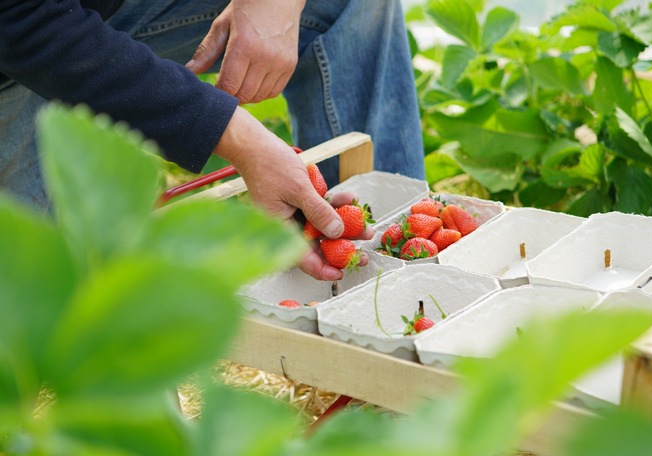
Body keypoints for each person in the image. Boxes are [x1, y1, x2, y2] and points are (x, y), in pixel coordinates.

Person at [0, 0, 425, 280]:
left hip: (98, 11)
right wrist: (234, 134)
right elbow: (21, 21)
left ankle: (394, 261)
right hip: (24, 39)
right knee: (35, 329)